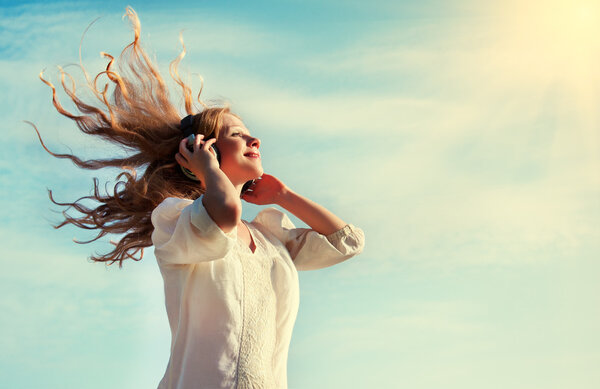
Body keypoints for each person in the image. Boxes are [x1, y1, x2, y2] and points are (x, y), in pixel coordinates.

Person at [32, 7, 365, 389]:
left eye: (250, 134)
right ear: (198, 150)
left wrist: (284, 196)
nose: (253, 140)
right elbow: (223, 214)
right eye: (237, 134)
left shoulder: (273, 239)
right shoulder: (177, 222)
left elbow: (346, 242)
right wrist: (208, 171)